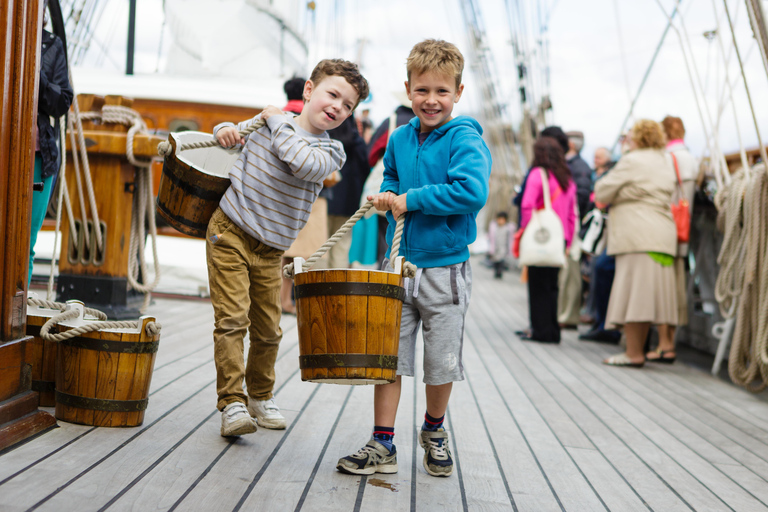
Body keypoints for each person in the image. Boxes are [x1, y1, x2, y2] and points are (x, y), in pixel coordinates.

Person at [336, 39, 491, 478]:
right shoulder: (401, 138)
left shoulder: (465, 138)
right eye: (422, 90)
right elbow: (392, 176)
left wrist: (411, 199)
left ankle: (434, 430)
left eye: (442, 91)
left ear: (458, 93)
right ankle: (382, 442)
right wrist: (388, 195)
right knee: (389, 356)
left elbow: (471, 192)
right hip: (399, 265)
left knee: (440, 361)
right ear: (408, 89)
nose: (431, 100)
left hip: (446, 268)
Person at [208, 59, 369, 437]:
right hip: (229, 231)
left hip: (270, 251)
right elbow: (229, 135)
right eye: (333, 94)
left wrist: (277, 118)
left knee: (268, 330)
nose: (337, 107)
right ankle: (232, 403)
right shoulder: (267, 124)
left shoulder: (332, 153)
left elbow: (300, 161)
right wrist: (225, 130)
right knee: (232, 320)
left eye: (347, 106)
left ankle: (260, 395)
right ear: (309, 90)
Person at [594, 119, 678, 367]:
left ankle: (633, 353)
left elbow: (601, 191)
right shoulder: (665, 159)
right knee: (647, 296)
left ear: (638, 137)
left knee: (633, 294)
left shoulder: (632, 160)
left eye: (630, 135)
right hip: (662, 234)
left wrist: (622, 195)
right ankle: (637, 351)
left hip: (637, 234)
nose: (626, 138)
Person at [647, 116, 697, 363]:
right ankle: (669, 343)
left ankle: (665, 345)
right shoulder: (691, 158)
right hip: (683, 233)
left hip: (665, 232)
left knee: (663, 289)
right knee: (677, 289)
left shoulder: (667, 158)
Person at [518, 136, 578, 343]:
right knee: (553, 286)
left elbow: (526, 205)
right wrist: (568, 242)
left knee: (538, 286)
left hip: (541, 236)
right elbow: (572, 214)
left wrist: (527, 230)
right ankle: (553, 330)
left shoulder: (538, 174)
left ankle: (541, 331)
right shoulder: (566, 178)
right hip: (560, 238)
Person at [29, 17, 74, 286]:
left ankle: (13, 319)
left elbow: (62, 102)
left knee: (26, 241)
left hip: (38, 156)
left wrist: (38, 77)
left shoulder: (52, 45)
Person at [557, 130, 591, 329]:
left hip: (573, 225)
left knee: (571, 274)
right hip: (571, 223)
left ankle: (568, 316)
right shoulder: (577, 166)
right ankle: (566, 314)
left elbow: (581, 196)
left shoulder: (578, 167)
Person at [325, 115, 369, 268]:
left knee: (320, 247)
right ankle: (337, 289)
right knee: (342, 247)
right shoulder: (358, 142)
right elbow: (365, 169)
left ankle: (317, 289)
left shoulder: (325, 138)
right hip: (348, 203)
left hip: (324, 199)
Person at [488, 211, 513, 279]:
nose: (501, 221)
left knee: (501, 260)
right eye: (499, 219)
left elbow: (510, 238)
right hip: (496, 246)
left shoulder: (508, 228)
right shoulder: (494, 227)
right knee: (495, 260)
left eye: (503, 220)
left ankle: (500, 272)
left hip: (503, 247)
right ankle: (496, 271)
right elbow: (491, 237)